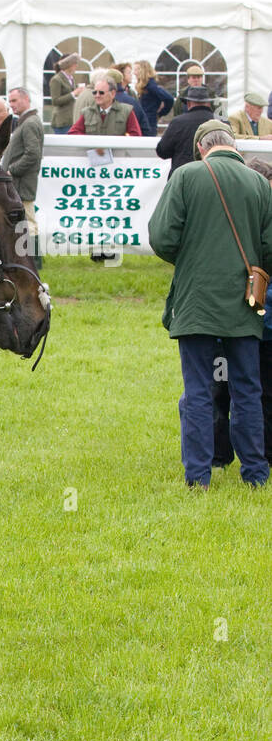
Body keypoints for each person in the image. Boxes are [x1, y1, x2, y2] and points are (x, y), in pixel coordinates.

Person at [149, 120, 272, 488]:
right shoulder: (258, 183)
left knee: (199, 390)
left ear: (202, 147)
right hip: (246, 304)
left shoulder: (186, 176)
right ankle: (255, 474)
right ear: (232, 145)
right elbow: (269, 248)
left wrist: (192, 261)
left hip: (196, 302)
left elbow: (161, 237)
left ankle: (198, 477)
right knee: (248, 389)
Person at [2, 87, 44, 270]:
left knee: (28, 220)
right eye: (10, 101)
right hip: (21, 181)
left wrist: (12, 170)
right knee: (25, 220)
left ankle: (35, 262)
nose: (11, 105)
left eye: (14, 100)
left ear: (26, 99)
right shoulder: (26, 121)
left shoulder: (29, 123)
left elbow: (33, 154)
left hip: (22, 181)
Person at [156, 86, 215, 176]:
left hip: (183, 177)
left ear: (188, 104)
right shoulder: (221, 122)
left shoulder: (178, 122)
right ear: (208, 103)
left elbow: (162, 151)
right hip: (212, 177)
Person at [69, 75, 142, 136]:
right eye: (94, 92)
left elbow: (136, 135)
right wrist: (93, 144)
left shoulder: (126, 111)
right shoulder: (87, 112)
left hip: (117, 153)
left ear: (113, 94)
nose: (97, 95)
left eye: (101, 92)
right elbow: (73, 133)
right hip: (94, 152)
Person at [134, 60, 174, 137]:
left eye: (136, 69)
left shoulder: (151, 86)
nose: (134, 73)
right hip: (146, 121)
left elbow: (169, 99)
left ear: (142, 70)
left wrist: (160, 113)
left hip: (149, 123)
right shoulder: (146, 86)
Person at [48, 53, 83, 134]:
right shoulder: (56, 79)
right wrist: (73, 93)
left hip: (71, 119)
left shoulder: (71, 78)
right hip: (61, 121)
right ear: (69, 65)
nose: (76, 66)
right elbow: (55, 101)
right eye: (75, 64)